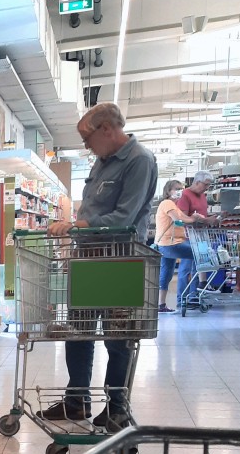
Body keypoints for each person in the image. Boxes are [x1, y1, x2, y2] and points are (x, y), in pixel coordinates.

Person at [42, 102, 157, 431]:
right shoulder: (102, 163)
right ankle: (76, 401)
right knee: (78, 334)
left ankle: (116, 407)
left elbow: (125, 217)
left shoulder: (139, 161)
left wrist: (78, 225)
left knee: (117, 339)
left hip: (120, 260)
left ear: (107, 129)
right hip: (89, 259)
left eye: (87, 138)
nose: (86, 146)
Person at [176, 171, 217, 308]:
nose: (207, 188)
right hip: (188, 236)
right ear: (197, 182)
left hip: (201, 236)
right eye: (206, 184)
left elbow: (201, 214)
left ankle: (194, 297)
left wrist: (212, 218)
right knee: (186, 268)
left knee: (200, 267)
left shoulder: (203, 196)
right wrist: (205, 220)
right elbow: (182, 219)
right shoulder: (185, 195)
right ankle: (182, 299)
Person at [153, 179, 190, 312]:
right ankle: (194, 292)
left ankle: (161, 305)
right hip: (171, 244)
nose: (179, 191)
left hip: (166, 243)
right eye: (176, 189)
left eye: (181, 189)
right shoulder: (168, 203)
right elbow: (178, 220)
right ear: (168, 191)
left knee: (166, 273)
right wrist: (195, 219)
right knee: (198, 255)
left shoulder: (174, 205)